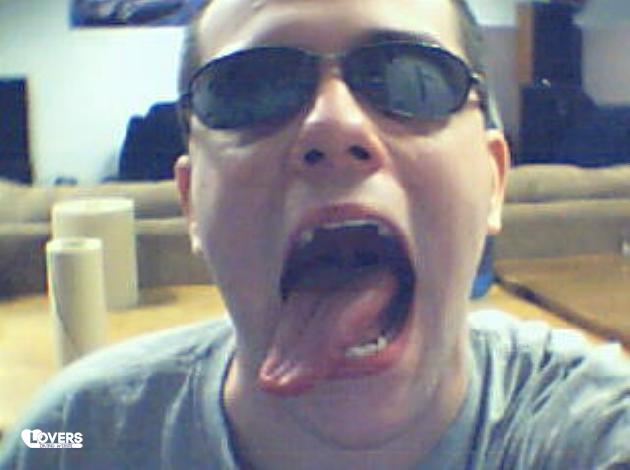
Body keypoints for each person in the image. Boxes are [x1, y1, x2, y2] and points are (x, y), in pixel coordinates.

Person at [1, 0, 629, 468]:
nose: (334, 123)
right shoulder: (75, 434)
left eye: (408, 77)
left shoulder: (592, 433)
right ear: (191, 202)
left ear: (493, 182)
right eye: (250, 87)